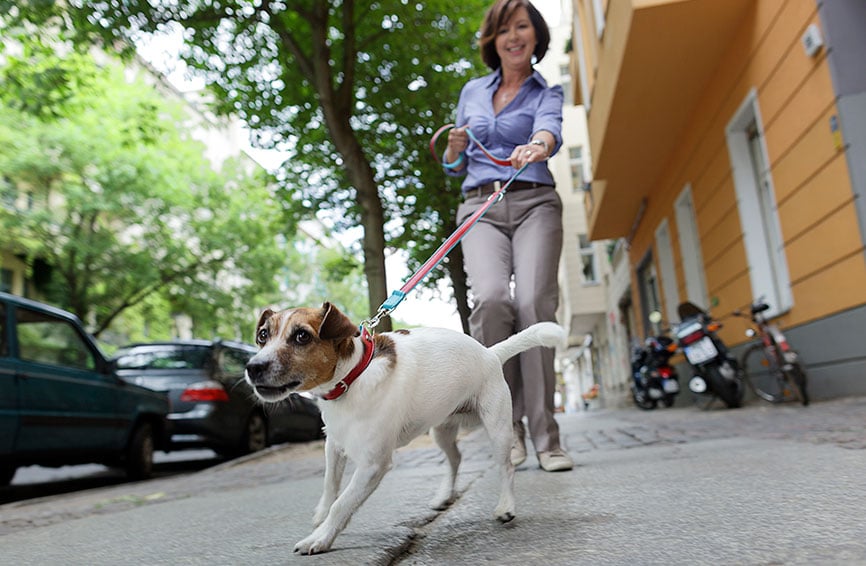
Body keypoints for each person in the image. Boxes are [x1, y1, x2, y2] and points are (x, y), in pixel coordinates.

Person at [442, 0, 573, 472]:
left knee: (535, 303)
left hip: (535, 199)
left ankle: (548, 438)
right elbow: (454, 163)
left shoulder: (547, 90)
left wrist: (538, 145)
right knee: (494, 301)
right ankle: (509, 428)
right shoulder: (472, 91)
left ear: (536, 36)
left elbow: (549, 131)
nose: (513, 36)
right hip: (481, 205)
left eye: (522, 27)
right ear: (493, 41)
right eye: (504, 30)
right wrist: (455, 151)